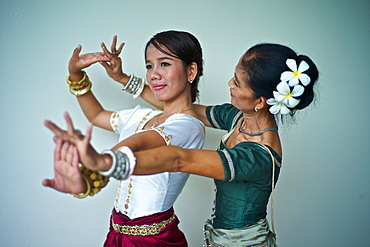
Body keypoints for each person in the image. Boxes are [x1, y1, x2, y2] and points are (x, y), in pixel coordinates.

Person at [45, 43, 319, 247]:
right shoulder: (238, 117)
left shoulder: (258, 156)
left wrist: (106, 163)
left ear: (260, 101)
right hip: (216, 238)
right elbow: (185, 108)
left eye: (237, 82)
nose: (229, 84)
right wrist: (122, 79)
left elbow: (180, 159)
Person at [43, 31, 206, 247]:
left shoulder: (189, 126)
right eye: (149, 66)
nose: (154, 74)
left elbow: (140, 143)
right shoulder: (142, 115)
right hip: (117, 233)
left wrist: (94, 168)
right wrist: (75, 75)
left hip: (154, 242)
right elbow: (97, 115)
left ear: (191, 71)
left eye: (164, 64)